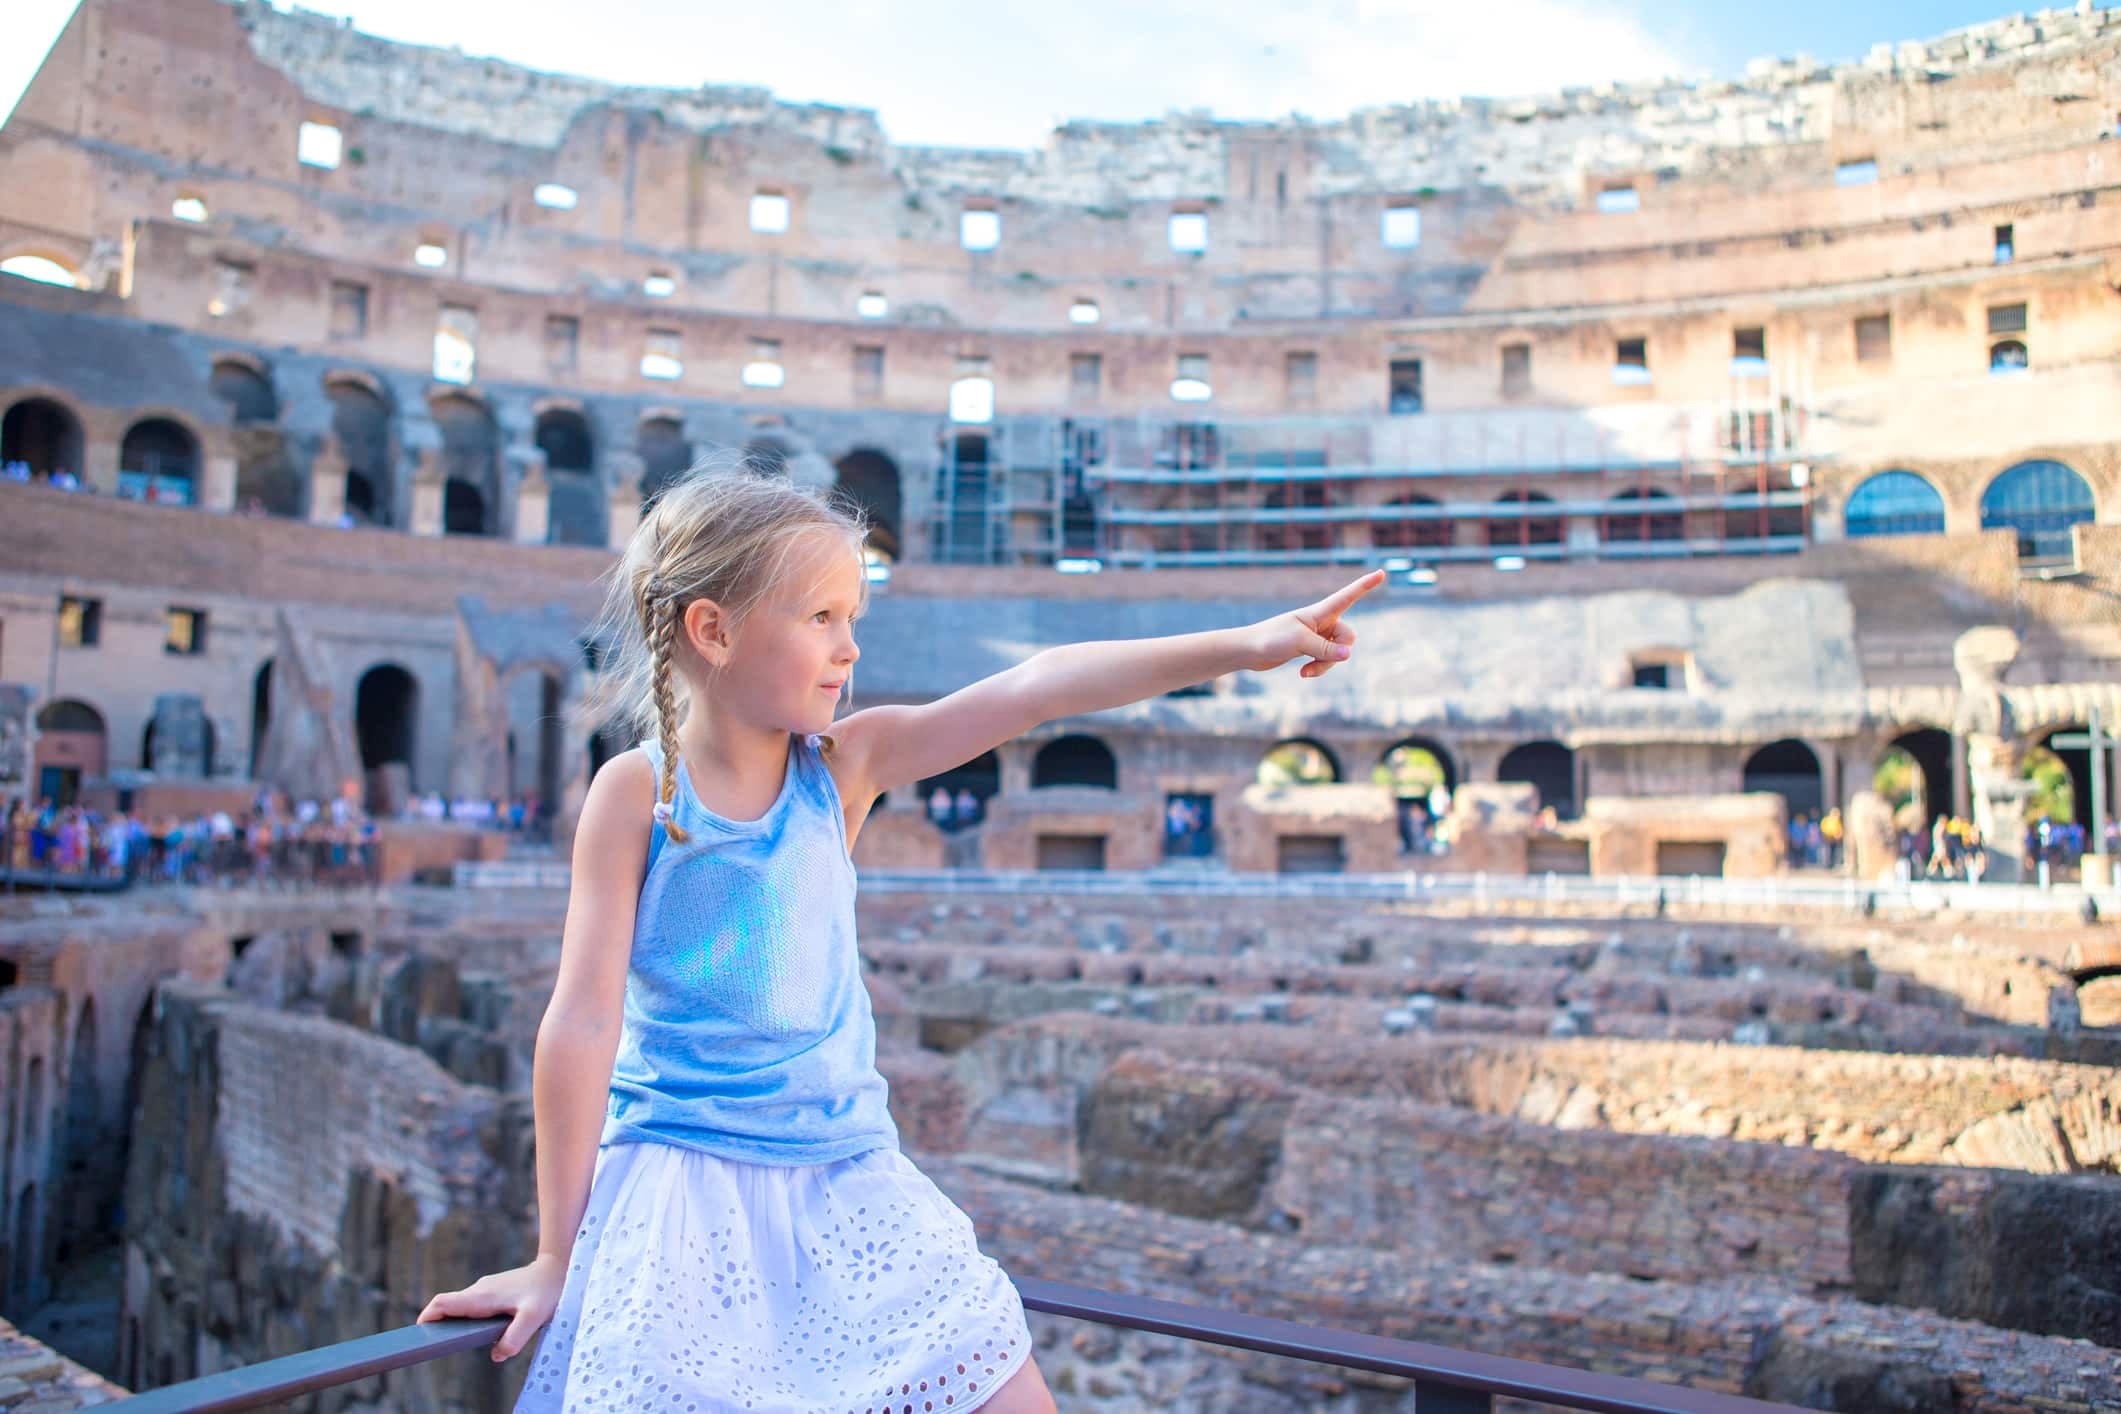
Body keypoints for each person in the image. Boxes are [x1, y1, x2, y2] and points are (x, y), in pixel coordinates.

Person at [415, 466, 1381, 1412]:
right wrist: (555, 1254)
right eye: (821, 618)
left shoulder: (846, 765)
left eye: (854, 620)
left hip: (848, 1172)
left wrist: (1248, 644)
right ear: (713, 630)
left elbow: (1038, 687)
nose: (849, 649)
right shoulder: (636, 791)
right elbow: (580, 1020)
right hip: (683, 1179)